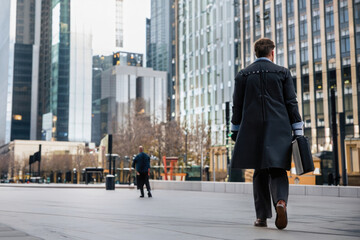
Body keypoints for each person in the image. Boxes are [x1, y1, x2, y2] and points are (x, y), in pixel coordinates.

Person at [230, 38, 303, 230]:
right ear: (272, 53)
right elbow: (291, 102)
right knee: (278, 169)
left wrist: (235, 130)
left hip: (252, 128)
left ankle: (261, 217)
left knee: (259, 171)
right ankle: (280, 202)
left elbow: (237, 105)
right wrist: (298, 130)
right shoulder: (282, 72)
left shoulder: (243, 75)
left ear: (256, 53)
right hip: (279, 127)